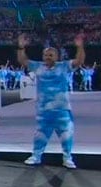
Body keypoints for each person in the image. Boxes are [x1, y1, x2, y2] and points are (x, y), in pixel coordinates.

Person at [17, 33, 85, 169]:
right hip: (44, 110)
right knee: (40, 134)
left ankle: (67, 158)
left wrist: (80, 47)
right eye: (46, 55)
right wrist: (21, 47)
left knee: (66, 135)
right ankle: (36, 156)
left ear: (57, 57)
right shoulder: (38, 66)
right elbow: (23, 61)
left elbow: (79, 61)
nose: (48, 57)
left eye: (51, 55)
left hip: (62, 110)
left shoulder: (64, 66)